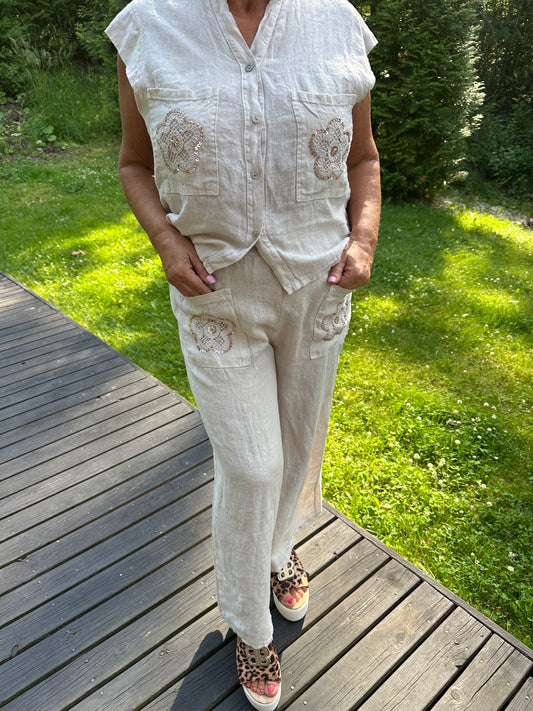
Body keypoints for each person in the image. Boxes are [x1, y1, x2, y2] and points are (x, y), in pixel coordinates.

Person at [106, 0, 380, 708]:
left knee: (295, 444)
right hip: (215, 294)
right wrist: (166, 242)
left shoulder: (337, 21)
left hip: (317, 289)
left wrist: (364, 238)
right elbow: (134, 164)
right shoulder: (146, 26)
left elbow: (362, 158)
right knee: (252, 465)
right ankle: (249, 622)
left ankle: (277, 549)